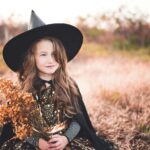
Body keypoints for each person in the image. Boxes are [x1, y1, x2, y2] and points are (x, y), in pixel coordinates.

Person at [0, 10, 115, 150]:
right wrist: (37, 142)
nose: (51, 60)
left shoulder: (68, 84)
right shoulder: (23, 89)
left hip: (64, 140)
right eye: (43, 54)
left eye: (55, 54)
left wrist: (66, 138)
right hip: (34, 143)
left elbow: (77, 119)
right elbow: (17, 126)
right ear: (32, 58)